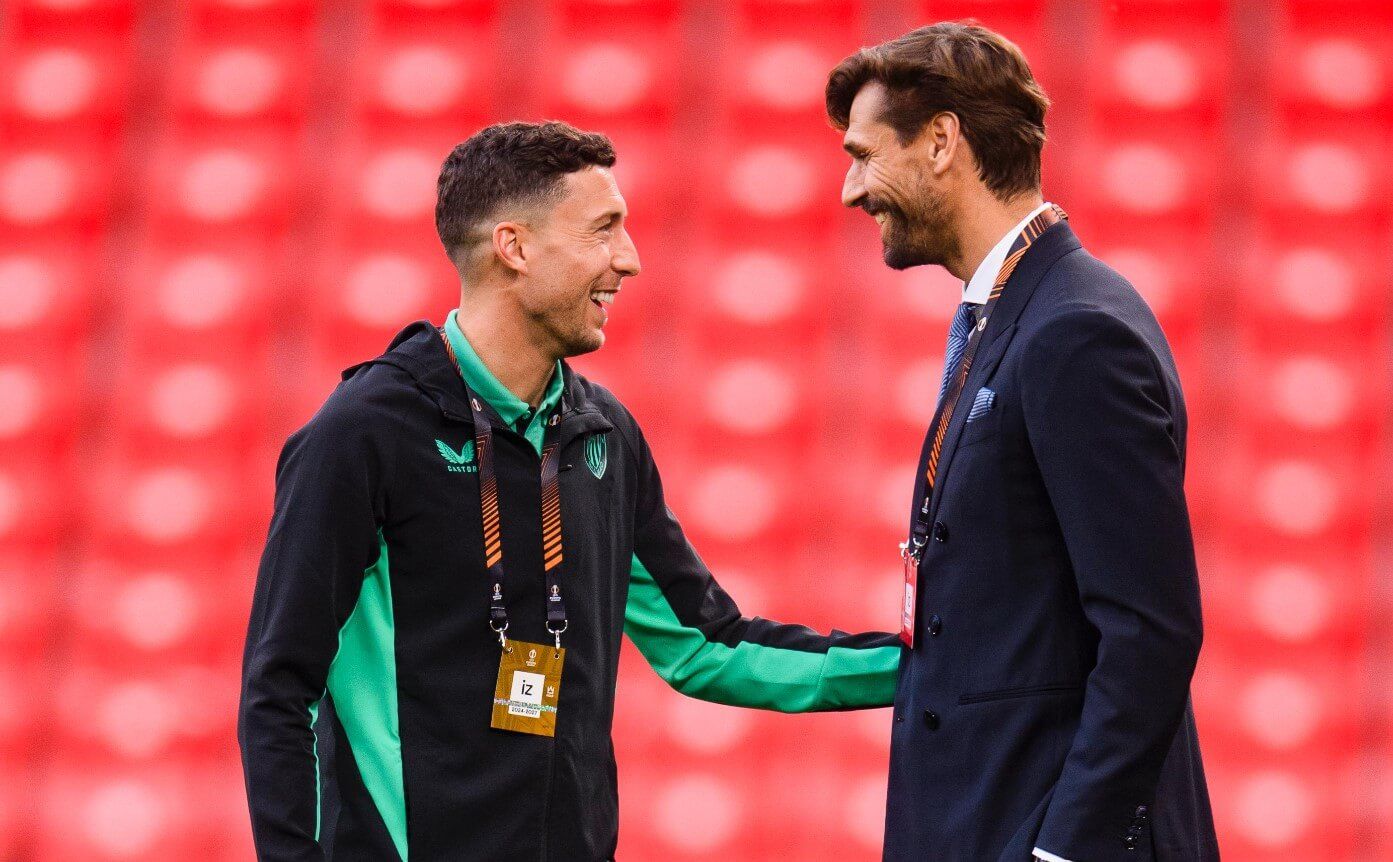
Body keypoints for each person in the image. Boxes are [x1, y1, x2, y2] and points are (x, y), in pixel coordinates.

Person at [236, 120, 901, 862]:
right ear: (514, 248)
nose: (630, 260)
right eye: (603, 230)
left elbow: (708, 647)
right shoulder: (363, 434)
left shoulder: (602, 435)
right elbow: (278, 690)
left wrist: (928, 667)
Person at [825, 23, 1219, 861]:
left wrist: (1065, 851)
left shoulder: (1074, 330)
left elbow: (1150, 632)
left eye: (863, 154)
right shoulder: (1016, 313)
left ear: (940, 141)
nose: (851, 190)